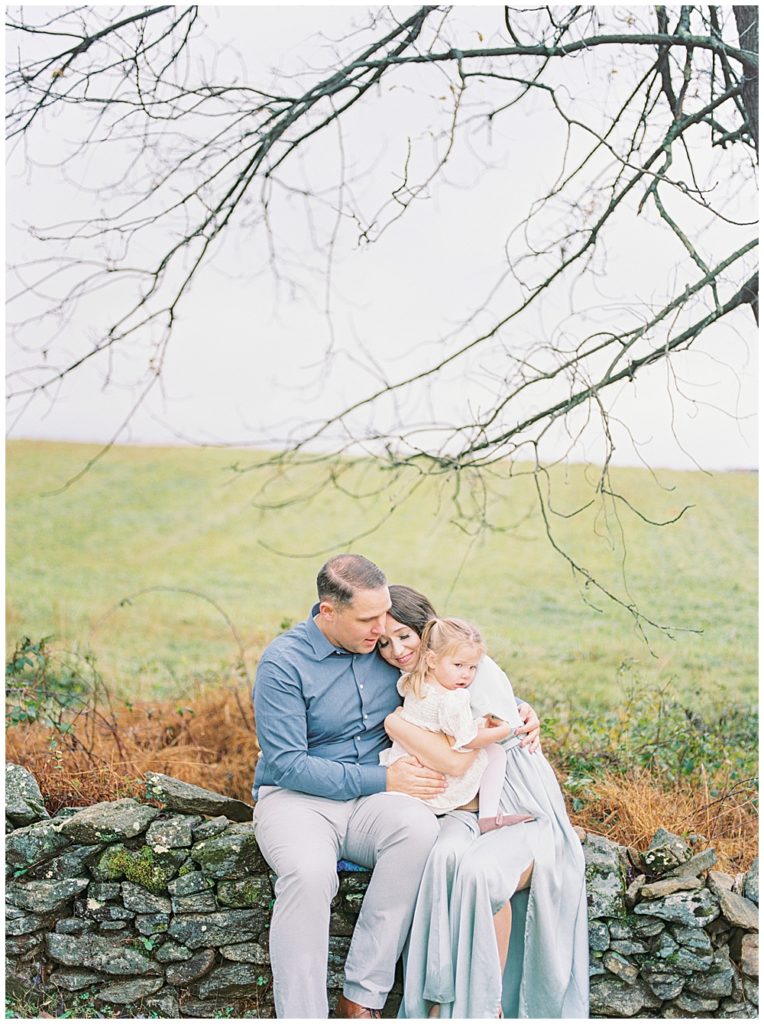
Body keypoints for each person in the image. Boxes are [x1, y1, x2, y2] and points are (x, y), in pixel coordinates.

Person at [252, 555, 541, 1019]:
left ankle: (361, 998)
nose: (380, 631)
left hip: (373, 803)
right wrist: (383, 778)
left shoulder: (387, 654)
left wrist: (517, 709)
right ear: (328, 611)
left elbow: (452, 680)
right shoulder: (283, 663)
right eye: (368, 620)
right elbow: (287, 764)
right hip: (298, 801)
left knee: (417, 831)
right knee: (308, 874)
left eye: (384, 616)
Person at [380, 585, 589, 1019]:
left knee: (478, 873)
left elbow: (490, 726)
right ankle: (438, 998)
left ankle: (485, 1005)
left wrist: (521, 714)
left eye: (405, 636)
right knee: (441, 860)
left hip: (515, 801)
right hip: (461, 810)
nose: (396, 649)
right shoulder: (413, 680)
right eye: (384, 641)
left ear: (429, 633)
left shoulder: (467, 669)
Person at [380, 617, 533, 832]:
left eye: (472, 667)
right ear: (432, 660)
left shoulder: (413, 681)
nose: (466, 674)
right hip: (438, 778)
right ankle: (488, 816)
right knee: (496, 752)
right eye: (459, 665)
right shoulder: (453, 698)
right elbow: (466, 739)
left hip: (409, 761)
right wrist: (504, 730)